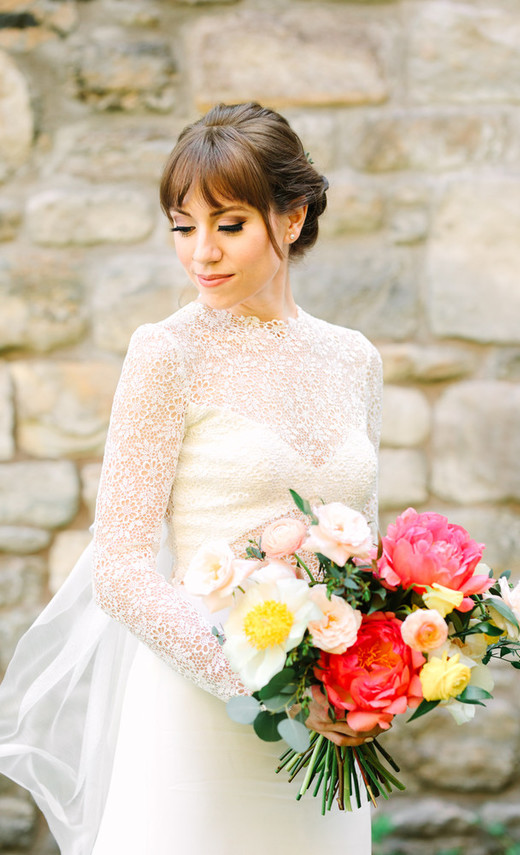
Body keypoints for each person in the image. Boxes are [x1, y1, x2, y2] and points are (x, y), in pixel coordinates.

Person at [0, 102, 382, 854]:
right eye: (183, 227)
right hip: (200, 719)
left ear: (294, 217)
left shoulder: (356, 359)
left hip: (328, 730)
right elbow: (119, 571)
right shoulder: (166, 353)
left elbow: (365, 549)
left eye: (229, 225)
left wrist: (374, 672)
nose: (201, 253)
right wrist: (270, 687)